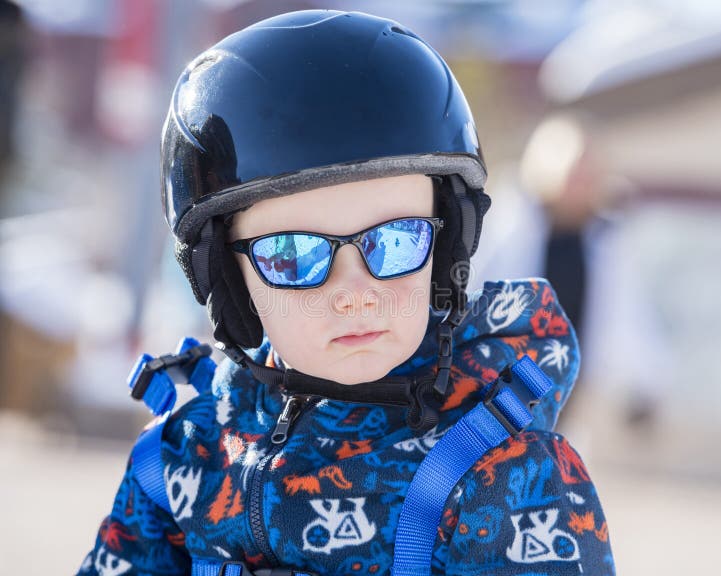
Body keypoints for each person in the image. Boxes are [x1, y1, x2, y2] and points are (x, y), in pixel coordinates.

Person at [77, 10, 615, 576]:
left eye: (396, 240)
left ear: (445, 250)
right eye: (294, 255)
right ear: (229, 279)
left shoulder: (502, 479)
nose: (355, 294)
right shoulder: (182, 459)